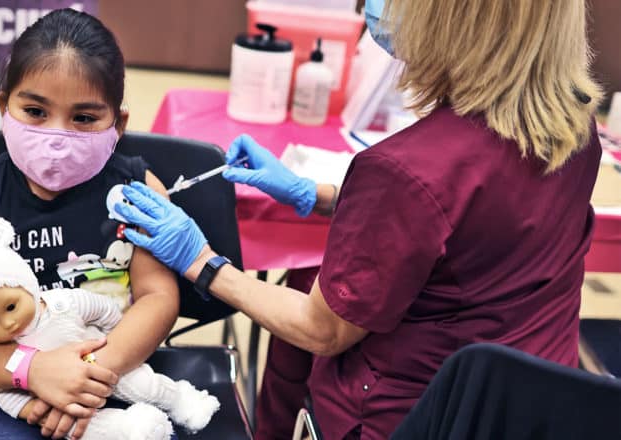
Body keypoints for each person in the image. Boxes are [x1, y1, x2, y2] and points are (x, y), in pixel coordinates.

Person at [112, 0, 603, 438]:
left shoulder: (405, 170)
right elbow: (471, 217)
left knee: (306, 286)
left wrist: (202, 262)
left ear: (454, 20)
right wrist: (322, 196)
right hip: (534, 406)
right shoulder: (571, 127)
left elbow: (320, 330)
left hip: (414, 417)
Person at [0, 9, 180, 439]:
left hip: (118, 365)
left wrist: (86, 374)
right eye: (35, 111)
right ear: (4, 107)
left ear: (118, 123)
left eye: (84, 118)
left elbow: (157, 296)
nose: (57, 137)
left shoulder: (139, 191)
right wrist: (29, 370)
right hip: (1, 379)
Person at [0, 216, 219, 440]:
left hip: (108, 360)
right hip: (54, 402)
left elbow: (103, 310)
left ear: (23, 282)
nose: (9, 322)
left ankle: (181, 400)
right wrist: (37, 409)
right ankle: (131, 430)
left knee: (143, 384)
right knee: (84, 429)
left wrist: (114, 341)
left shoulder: (62, 303)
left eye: (11, 306)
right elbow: (8, 397)